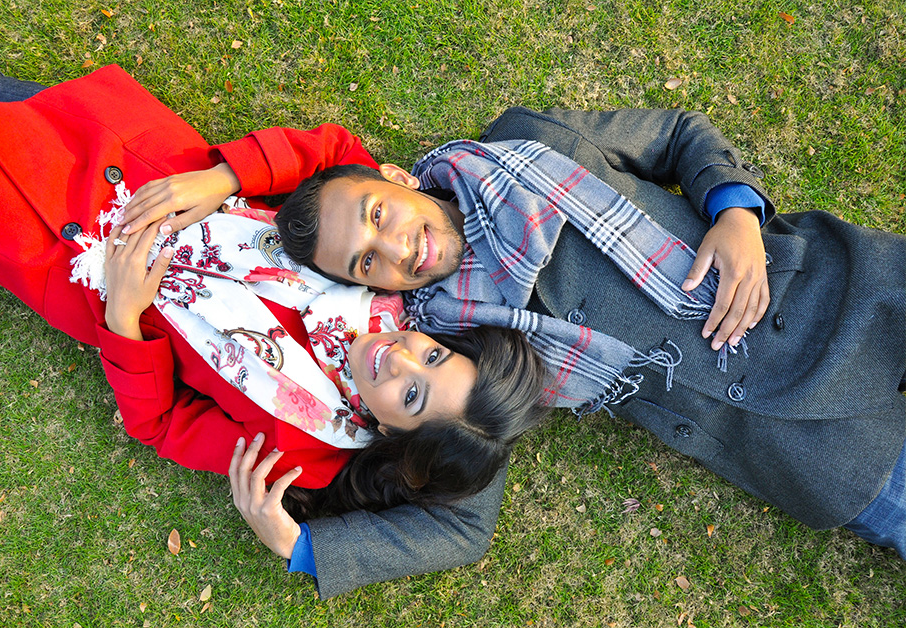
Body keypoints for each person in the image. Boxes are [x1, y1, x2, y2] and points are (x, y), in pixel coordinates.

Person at [0, 55, 549, 595]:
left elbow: (162, 426)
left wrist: (123, 314)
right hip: (147, 168)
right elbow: (335, 156)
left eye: (412, 395)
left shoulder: (304, 451)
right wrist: (224, 178)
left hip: (67, 261)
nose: (400, 358)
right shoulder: (385, 278)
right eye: (434, 357)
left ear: (394, 434)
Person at [275, 107, 906, 560]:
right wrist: (306, 548)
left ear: (398, 177)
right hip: (824, 455)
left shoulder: (526, 141)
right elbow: (466, 519)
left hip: (854, 298)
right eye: (365, 263)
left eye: (377, 213)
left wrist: (734, 210)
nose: (395, 248)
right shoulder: (450, 341)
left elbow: (677, 135)